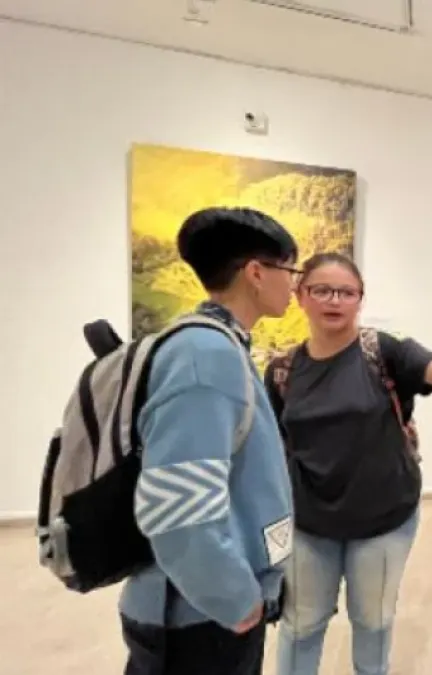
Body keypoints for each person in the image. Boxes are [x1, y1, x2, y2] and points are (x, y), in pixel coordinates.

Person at [266, 252, 432, 675]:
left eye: (346, 292)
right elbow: (275, 445)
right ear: (301, 296)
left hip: (384, 520)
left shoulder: (381, 351)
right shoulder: (282, 370)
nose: (334, 300)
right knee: (301, 627)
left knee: (372, 622)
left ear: (360, 300)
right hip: (308, 523)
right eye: (321, 290)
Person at [119, 206, 300, 675]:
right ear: (257, 273)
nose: (294, 285)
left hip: (204, 607)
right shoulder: (205, 357)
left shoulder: (220, 346)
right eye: (290, 270)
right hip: (199, 619)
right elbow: (177, 512)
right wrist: (236, 599)